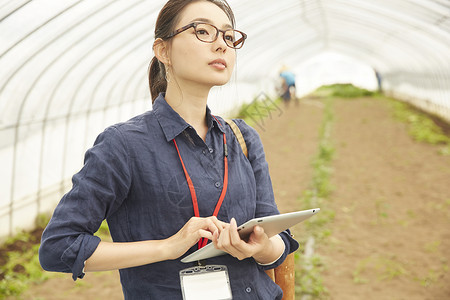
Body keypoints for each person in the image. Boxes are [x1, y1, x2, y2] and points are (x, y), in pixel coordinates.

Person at [39, 0, 299, 299]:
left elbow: (277, 240)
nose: (222, 46)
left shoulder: (242, 137)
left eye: (228, 37)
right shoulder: (123, 145)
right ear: (163, 51)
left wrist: (262, 247)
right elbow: (59, 246)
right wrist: (168, 246)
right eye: (203, 31)